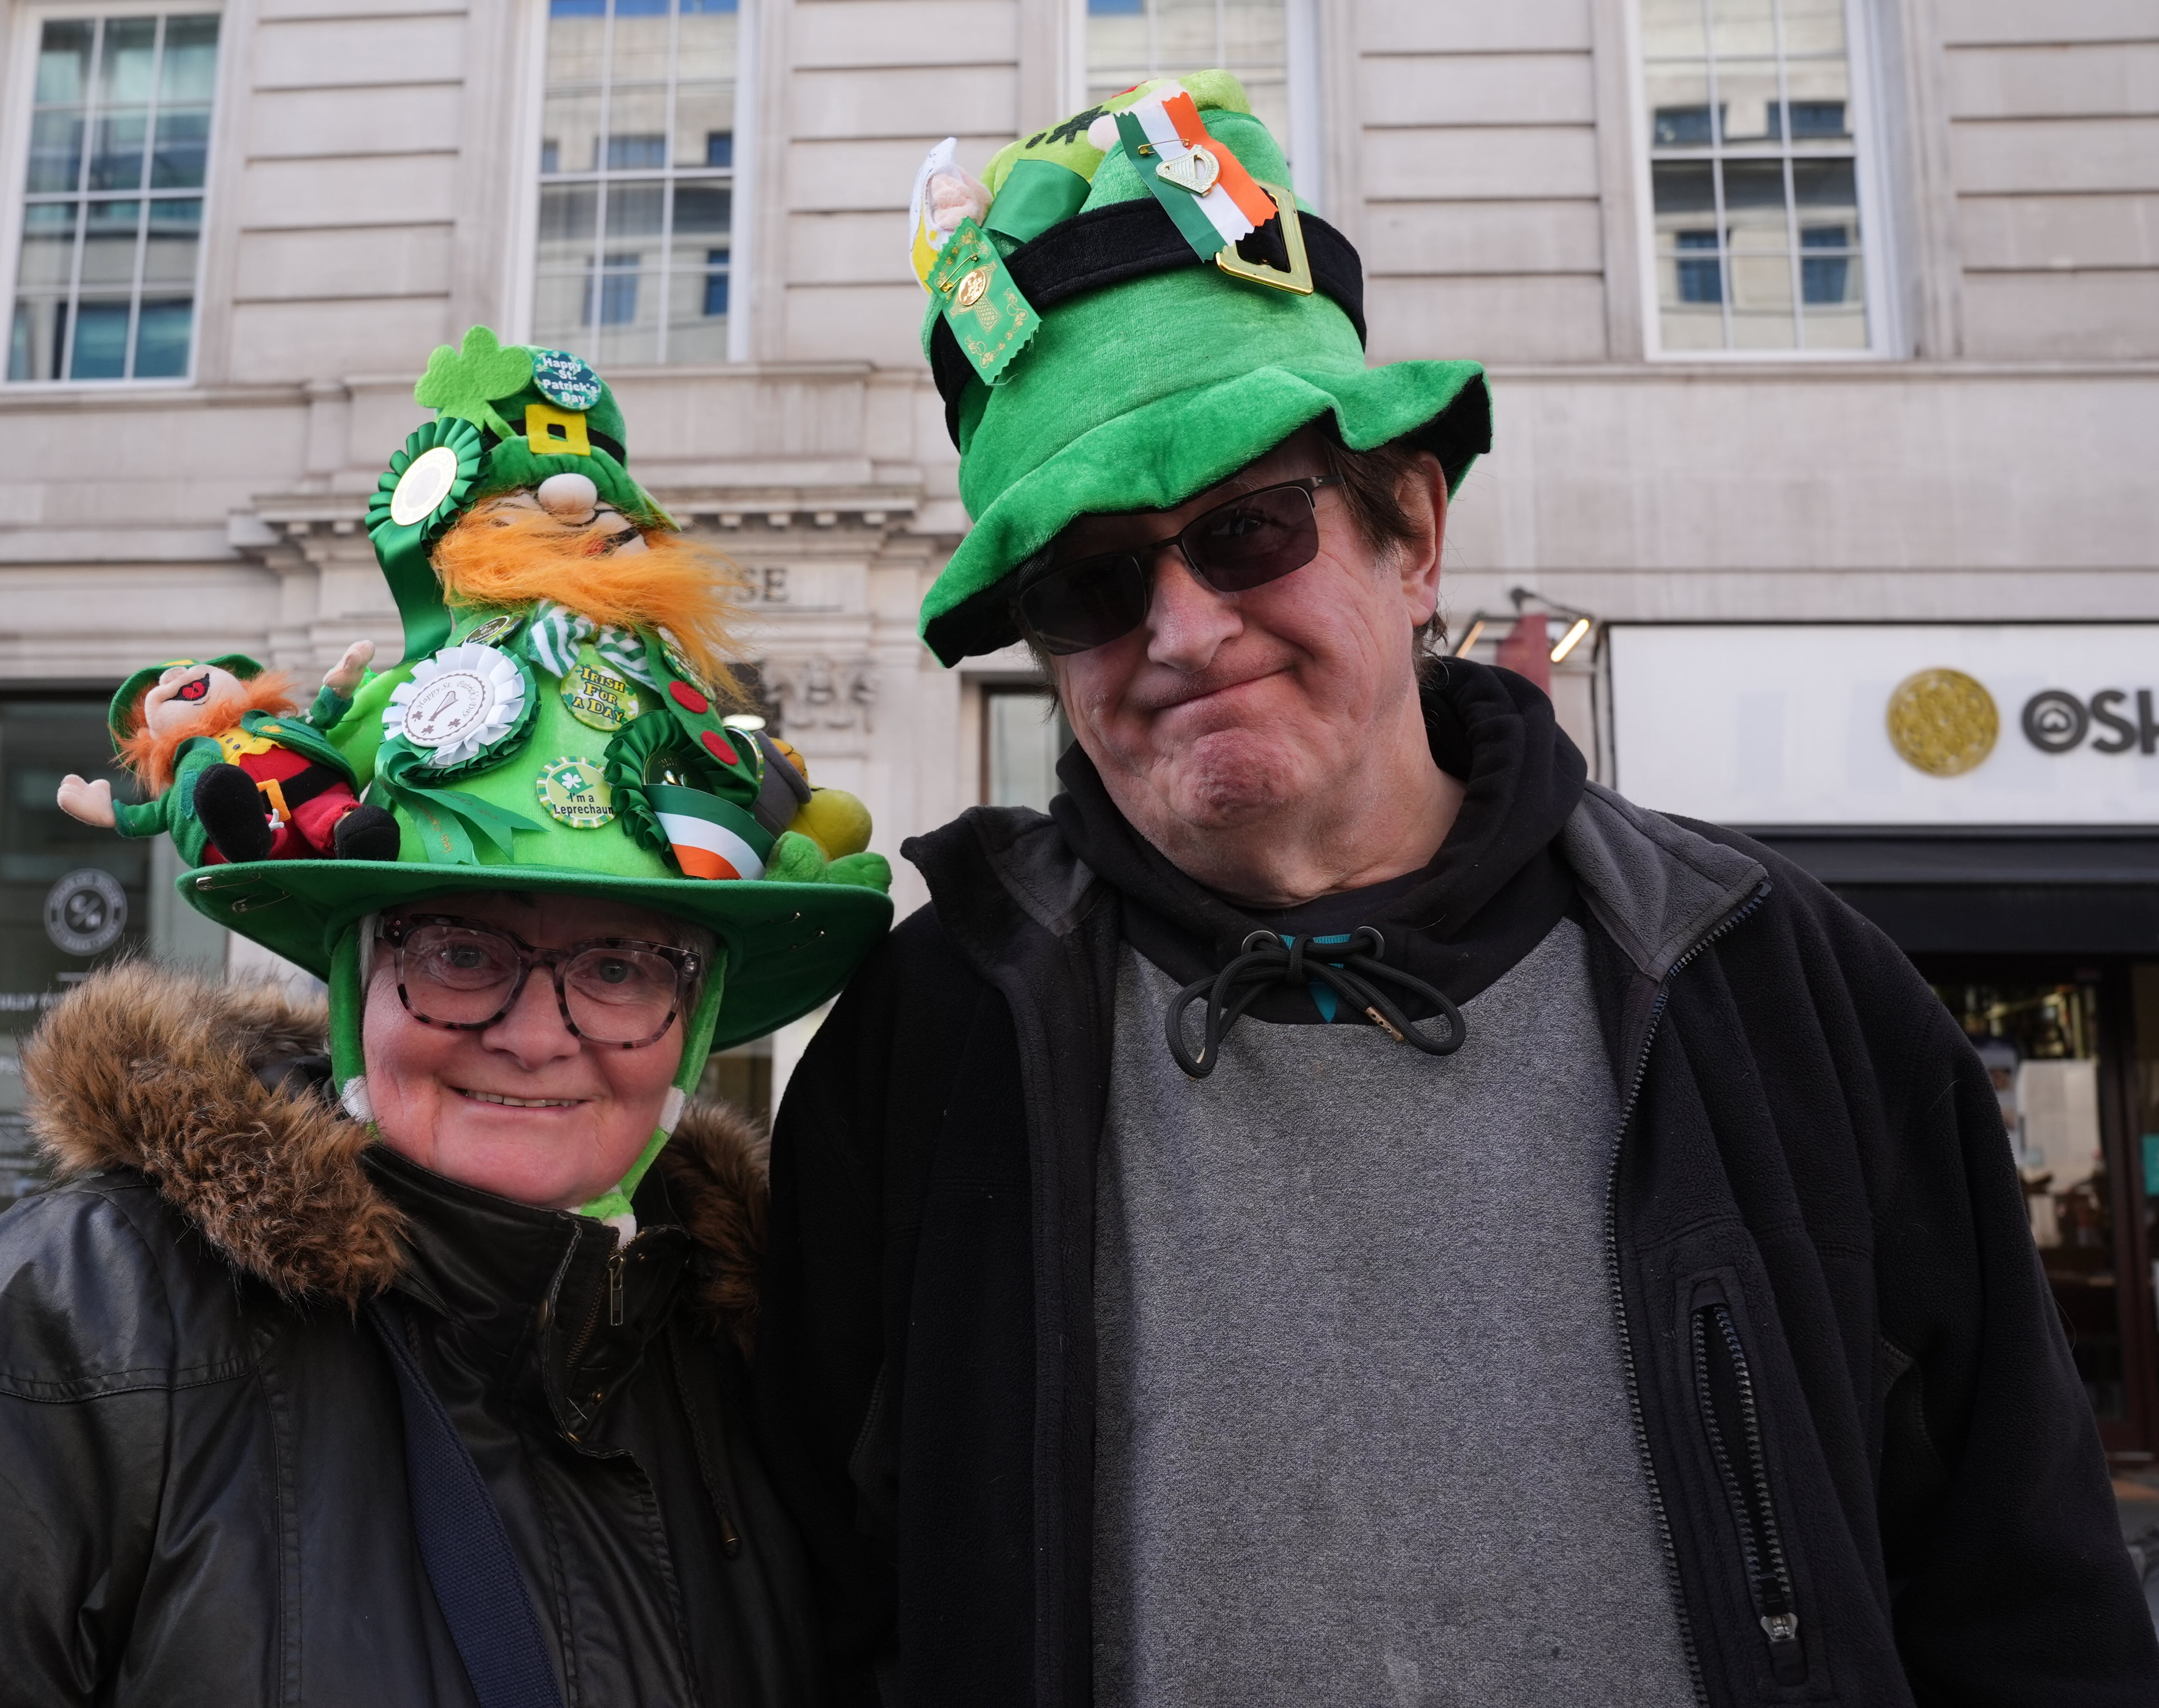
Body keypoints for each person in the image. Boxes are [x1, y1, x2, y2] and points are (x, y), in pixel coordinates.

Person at [750, 73, 2159, 1708]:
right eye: (1088, 581)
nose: (1185, 630)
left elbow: (2028, 1613)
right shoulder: (924, 1055)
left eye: (1252, 529)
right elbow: (824, 1623)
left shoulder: (1774, 987)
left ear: (1410, 534)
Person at [0, 329, 893, 1707]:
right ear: (356, 981)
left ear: (694, 1012)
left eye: (619, 969)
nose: (539, 1034)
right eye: (462, 950)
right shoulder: (102, 1311)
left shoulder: (760, 1353)